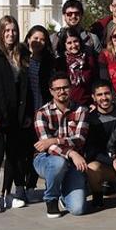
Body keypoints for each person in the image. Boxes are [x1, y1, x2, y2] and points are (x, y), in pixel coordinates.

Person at [0, 15, 32, 212]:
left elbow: (25, 88)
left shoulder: (21, 54)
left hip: (16, 114)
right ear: (1, 33)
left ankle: (8, 192)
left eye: (13, 30)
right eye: (7, 30)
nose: (11, 34)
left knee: (14, 154)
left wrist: (26, 113)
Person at [32, 73, 91, 218]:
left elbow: (80, 139)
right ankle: (51, 199)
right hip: (46, 160)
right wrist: (71, 153)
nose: (61, 91)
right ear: (51, 91)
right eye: (57, 89)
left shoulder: (81, 111)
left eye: (65, 87)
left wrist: (55, 140)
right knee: (58, 162)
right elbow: (47, 147)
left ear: (70, 89)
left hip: (72, 164)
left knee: (78, 210)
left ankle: (64, 195)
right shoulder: (42, 113)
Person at [23, 25, 56, 198]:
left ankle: (31, 185)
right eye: (35, 38)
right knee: (24, 150)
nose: (38, 42)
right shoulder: (20, 58)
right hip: (25, 111)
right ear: (28, 38)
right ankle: (20, 185)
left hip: (43, 112)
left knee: (39, 149)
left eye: (42, 39)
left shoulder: (49, 61)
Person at [85, 81, 116, 206]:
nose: (104, 98)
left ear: (112, 94)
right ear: (93, 97)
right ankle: (98, 196)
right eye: (99, 95)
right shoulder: (91, 119)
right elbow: (92, 152)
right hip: (106, 162)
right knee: (92, 167)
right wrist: (112, 161)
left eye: (107, 93)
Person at [55, 26, 96, 106]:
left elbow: (95, 82)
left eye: (75, 41)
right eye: (69, 43)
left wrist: (94, 103)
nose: (73, 45)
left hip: (87, 105)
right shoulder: (60, 62)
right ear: (64, 45)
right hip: (66, 106)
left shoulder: (89, 59)